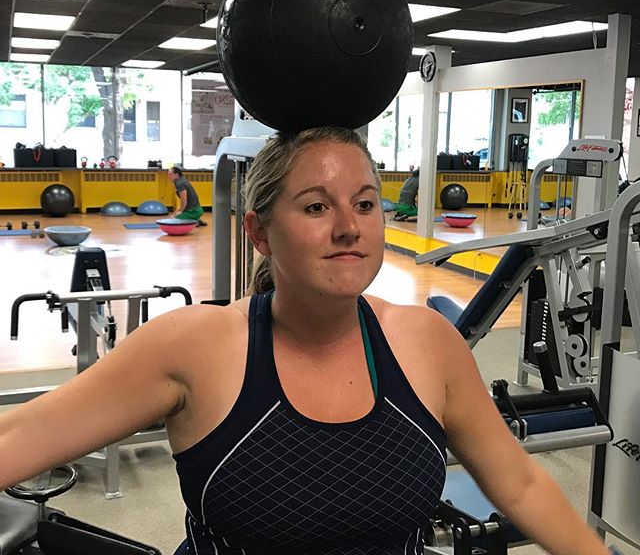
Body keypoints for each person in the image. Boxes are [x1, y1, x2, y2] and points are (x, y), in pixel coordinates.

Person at [0, 127, 611, 555]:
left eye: (365, 203)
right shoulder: (197, 347)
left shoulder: (427, 342)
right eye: (317, 207)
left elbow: (522, 485)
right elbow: (20, 435)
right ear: (260, 234)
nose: (349, 226)